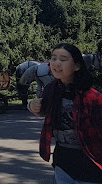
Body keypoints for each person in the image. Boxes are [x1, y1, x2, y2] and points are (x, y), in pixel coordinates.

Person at [28, 43, 102, 183]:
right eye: (53, 58)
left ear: (77, 66)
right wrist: (31, 105)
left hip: (91, 163)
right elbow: (43, 110)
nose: (56, 63)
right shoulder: (51, 90)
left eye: (63, 59)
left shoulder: (93, 97)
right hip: (63, 163)